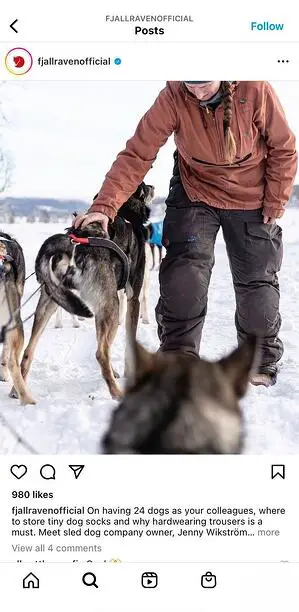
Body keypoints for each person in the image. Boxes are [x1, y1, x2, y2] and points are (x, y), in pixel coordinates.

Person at [74, 81, 298, 387]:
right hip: (196, 192)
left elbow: (284, 147)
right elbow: (137, 154)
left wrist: (276, 198)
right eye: (191, 84)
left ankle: (259, 359)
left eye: (205, 85)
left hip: (252, 195)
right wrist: (104, 207)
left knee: (256, 280)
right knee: (184, 273)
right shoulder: (173, 96)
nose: (197, 92)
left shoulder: (254, 89)